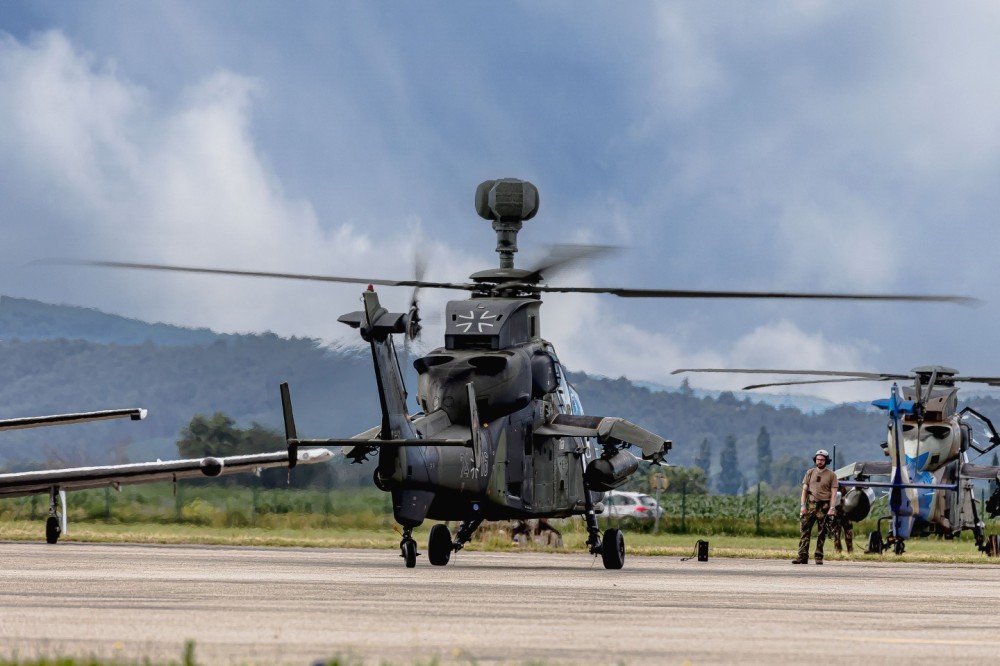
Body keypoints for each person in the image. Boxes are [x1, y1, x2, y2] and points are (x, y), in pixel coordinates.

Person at [793, 449, 838, 565]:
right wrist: (803, 506)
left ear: (826, 461)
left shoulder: (832, 475)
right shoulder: (810, 473)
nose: (820, 462)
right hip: (810, 505)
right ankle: (802, 556)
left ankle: (818, 556)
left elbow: (834, 494)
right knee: (804, 531)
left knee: (822, 532)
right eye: (818, 459)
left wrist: (832, 508)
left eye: (822, 460)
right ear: (815, 460)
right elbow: (804, 491)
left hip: (825, 505)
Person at [832, 491, 854, 555]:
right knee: (836, 536)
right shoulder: (834, 488)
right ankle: (838, 552)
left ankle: (850, 552)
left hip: (846, 515)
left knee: (848, 536)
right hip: (837, 515)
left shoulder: (849, 490)